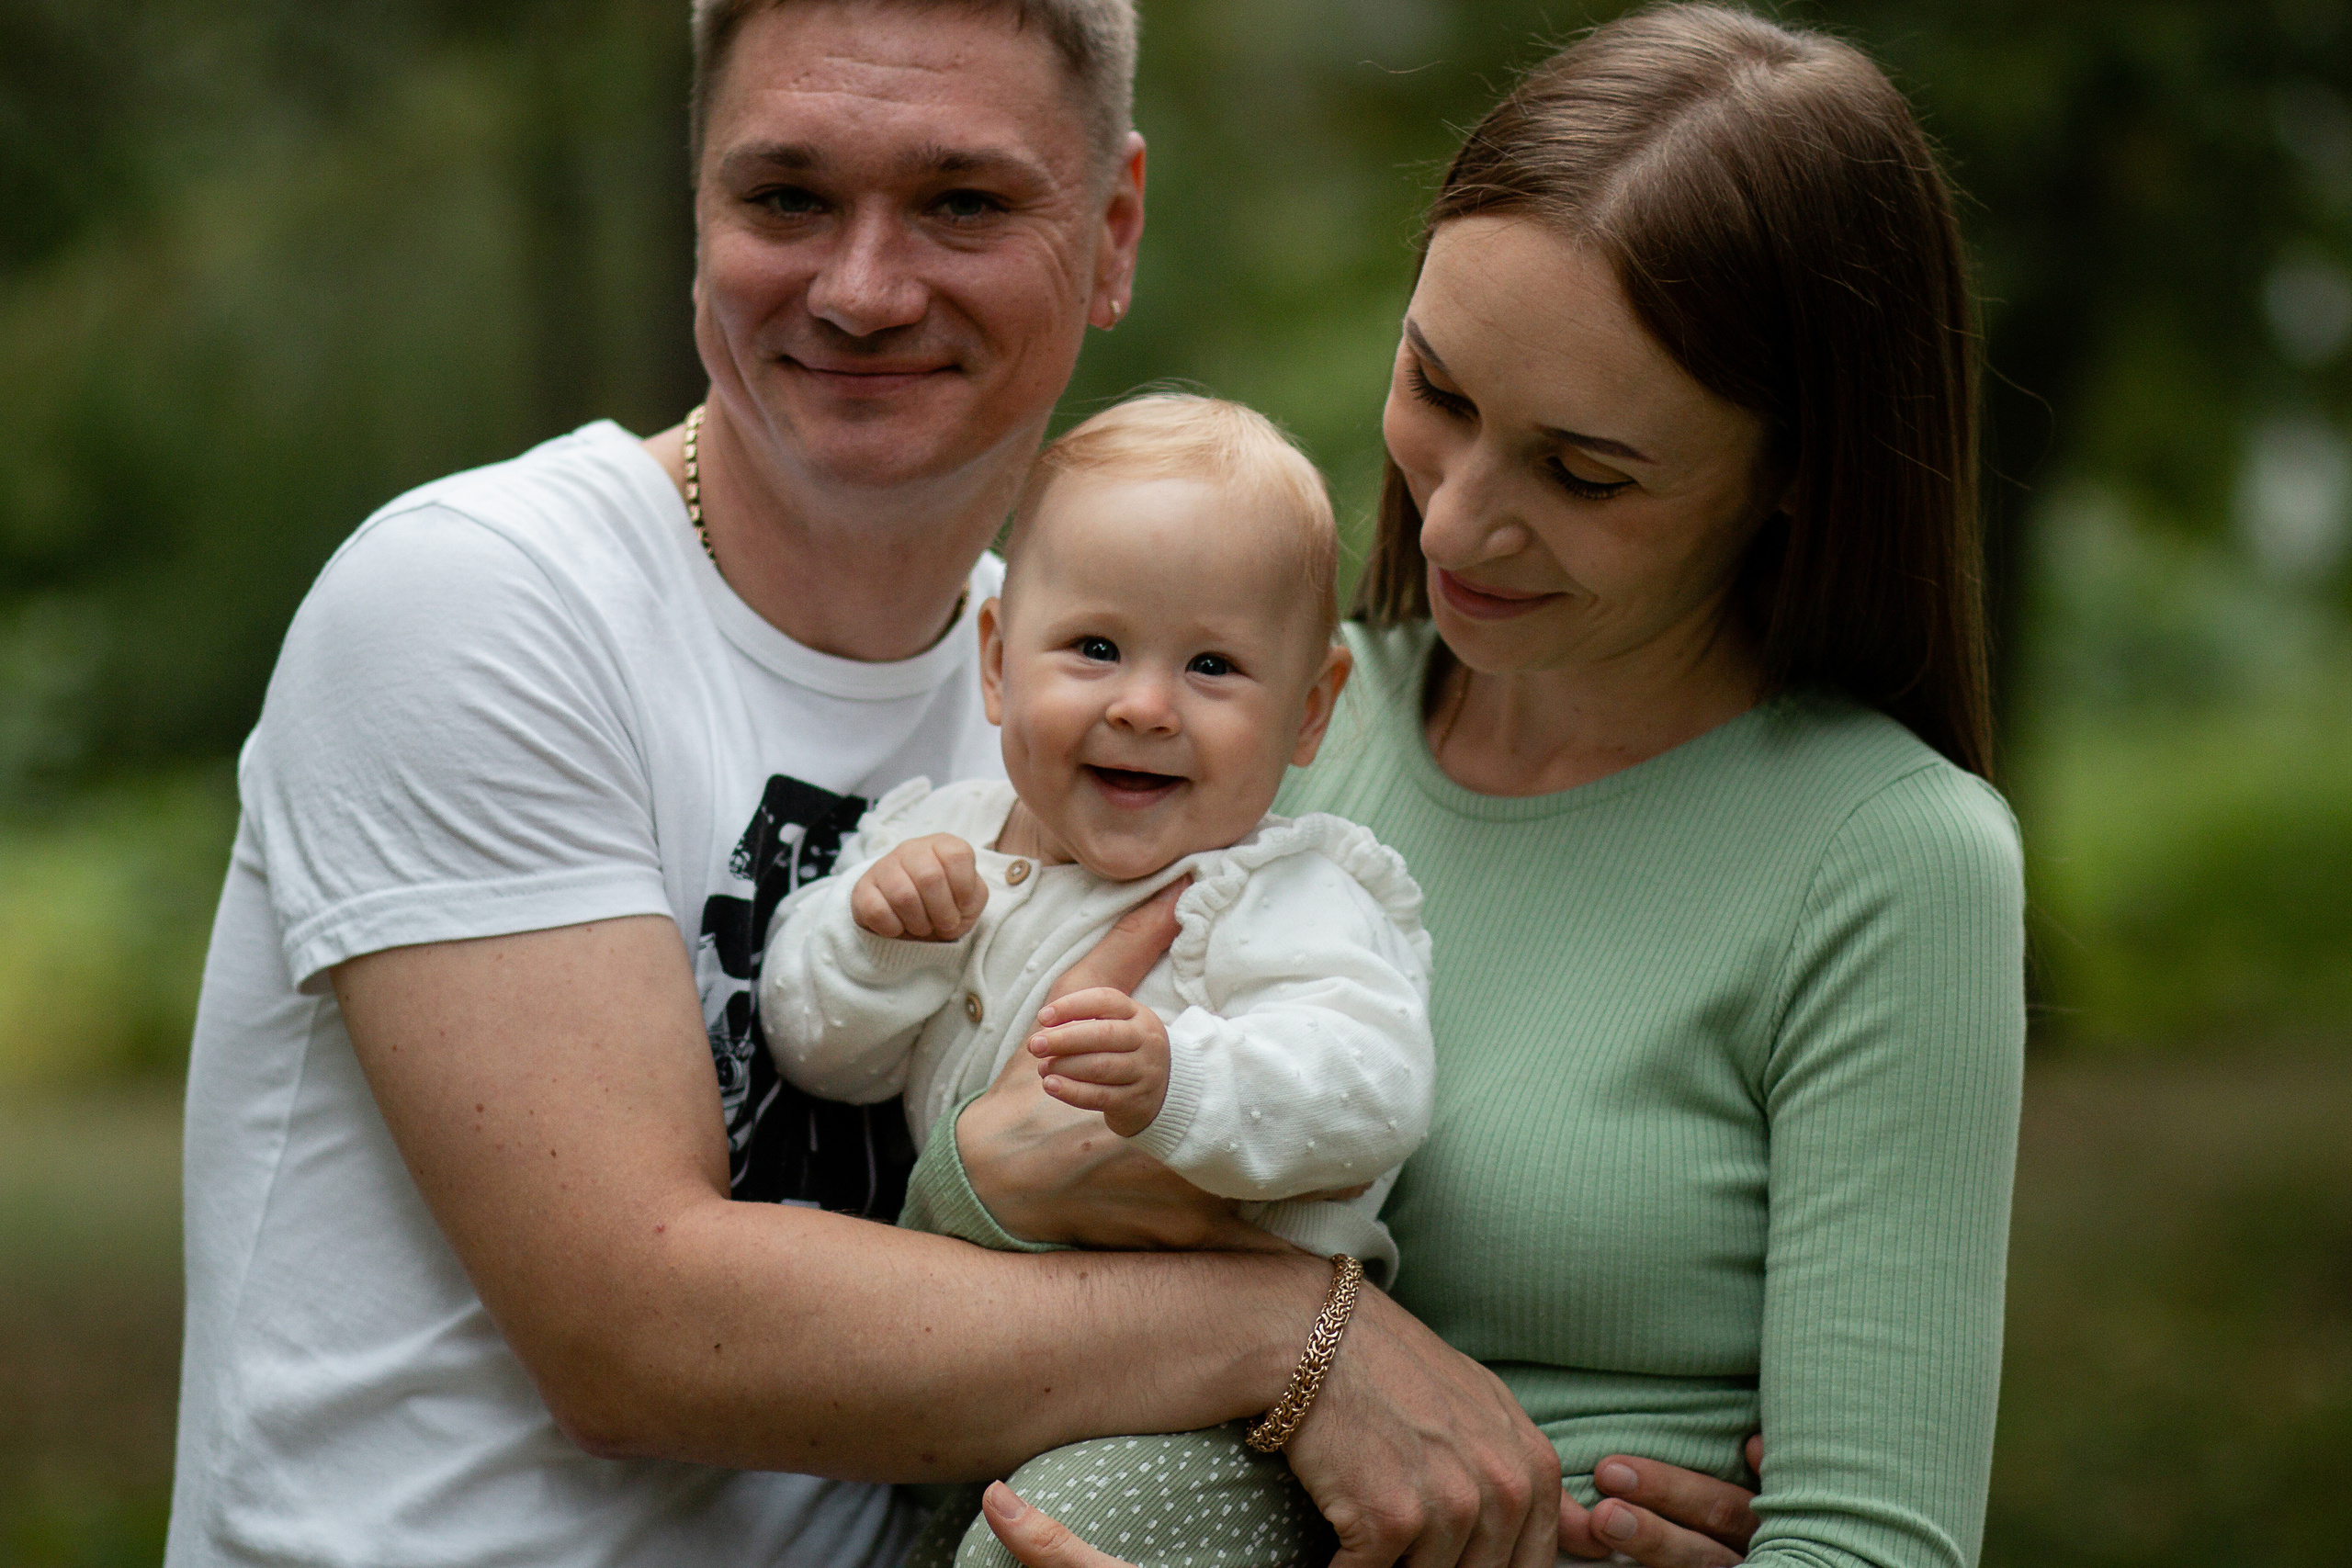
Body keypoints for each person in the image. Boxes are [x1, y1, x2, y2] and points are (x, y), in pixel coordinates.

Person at [164, 1, 1763, 1564]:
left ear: (1117, 228)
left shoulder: (1105, 714)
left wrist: (1599, 1487)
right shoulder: (483, 605)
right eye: (786, 195)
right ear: (698, 198)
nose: (863, 289)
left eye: (963, 201)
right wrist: (1302, 1338)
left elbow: (1357, 1110)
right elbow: (639, 1334)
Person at [929, 7, 2026, 1568]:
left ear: (1798, 472)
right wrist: (977, 1181)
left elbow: (1875, 1546)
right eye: (1438, 393)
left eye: (1586, 476)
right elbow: (956, 1233)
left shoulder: (1888, 858)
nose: (1453, 528)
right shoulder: (1259, 734)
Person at [766, 391, 1438, 1568]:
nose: (1143, 704)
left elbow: (1369, 1086)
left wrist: (1181, 1078)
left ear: (1311, 710)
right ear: (993, 660)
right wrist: (877, 941)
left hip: (1224, 1420)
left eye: (1215, 665)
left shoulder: (1280, 891)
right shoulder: (949, 852)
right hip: (996, 1377)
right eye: (1094, 648)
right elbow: (818, 1047)